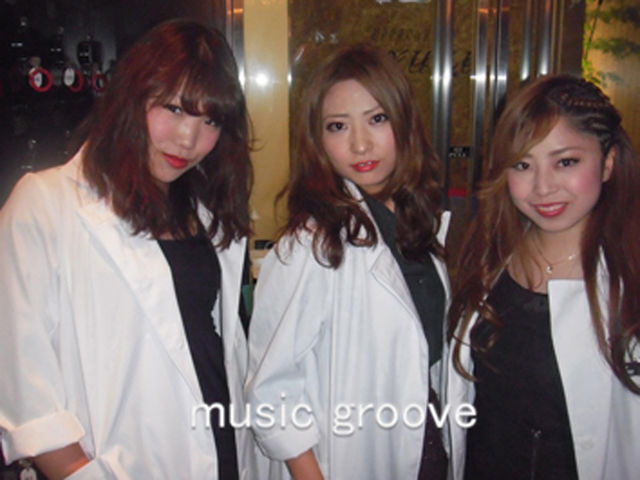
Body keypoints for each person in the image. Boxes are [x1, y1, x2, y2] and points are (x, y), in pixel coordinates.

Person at [0, 19, 265, 479]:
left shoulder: (204, 210)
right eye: (175, 109)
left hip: (222, 450)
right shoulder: (45, 204)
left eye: (210, 120)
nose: (188, 139)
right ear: (132, 96)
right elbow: (23, 388)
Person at [245, 44, 450, 479]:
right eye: (338, 126)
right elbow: (271, 391)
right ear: (318, 141)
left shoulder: (415, 224)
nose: (360, 144)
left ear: (404, 122)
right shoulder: (311, 244)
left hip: (425, 448)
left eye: (377, 119)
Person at [443, 74, 640, 480]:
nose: (543, 187)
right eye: (522, 165)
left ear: (607, 162)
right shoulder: (489, 257)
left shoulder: (629, 276)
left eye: (566, 162)